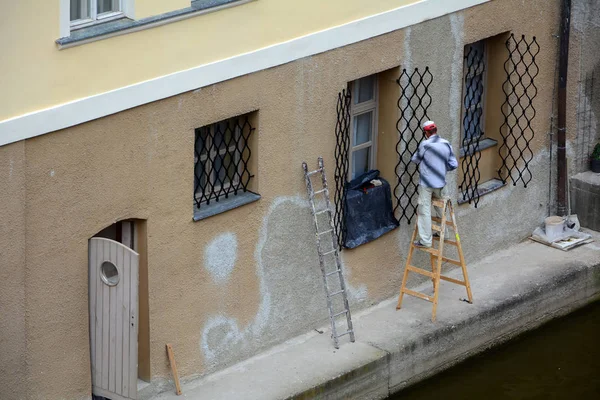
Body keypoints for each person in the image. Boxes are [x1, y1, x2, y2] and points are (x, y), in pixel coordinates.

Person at [410, 120, 458, 248]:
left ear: (426, 132)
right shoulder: (446, 144)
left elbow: (415, 159)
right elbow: (453, 164)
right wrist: (441, 169)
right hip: (441, 182)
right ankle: (443, 233)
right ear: (436, 130)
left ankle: (425, 241)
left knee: (424, 210)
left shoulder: (425, 145)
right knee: (441, 208)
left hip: (426, 183)